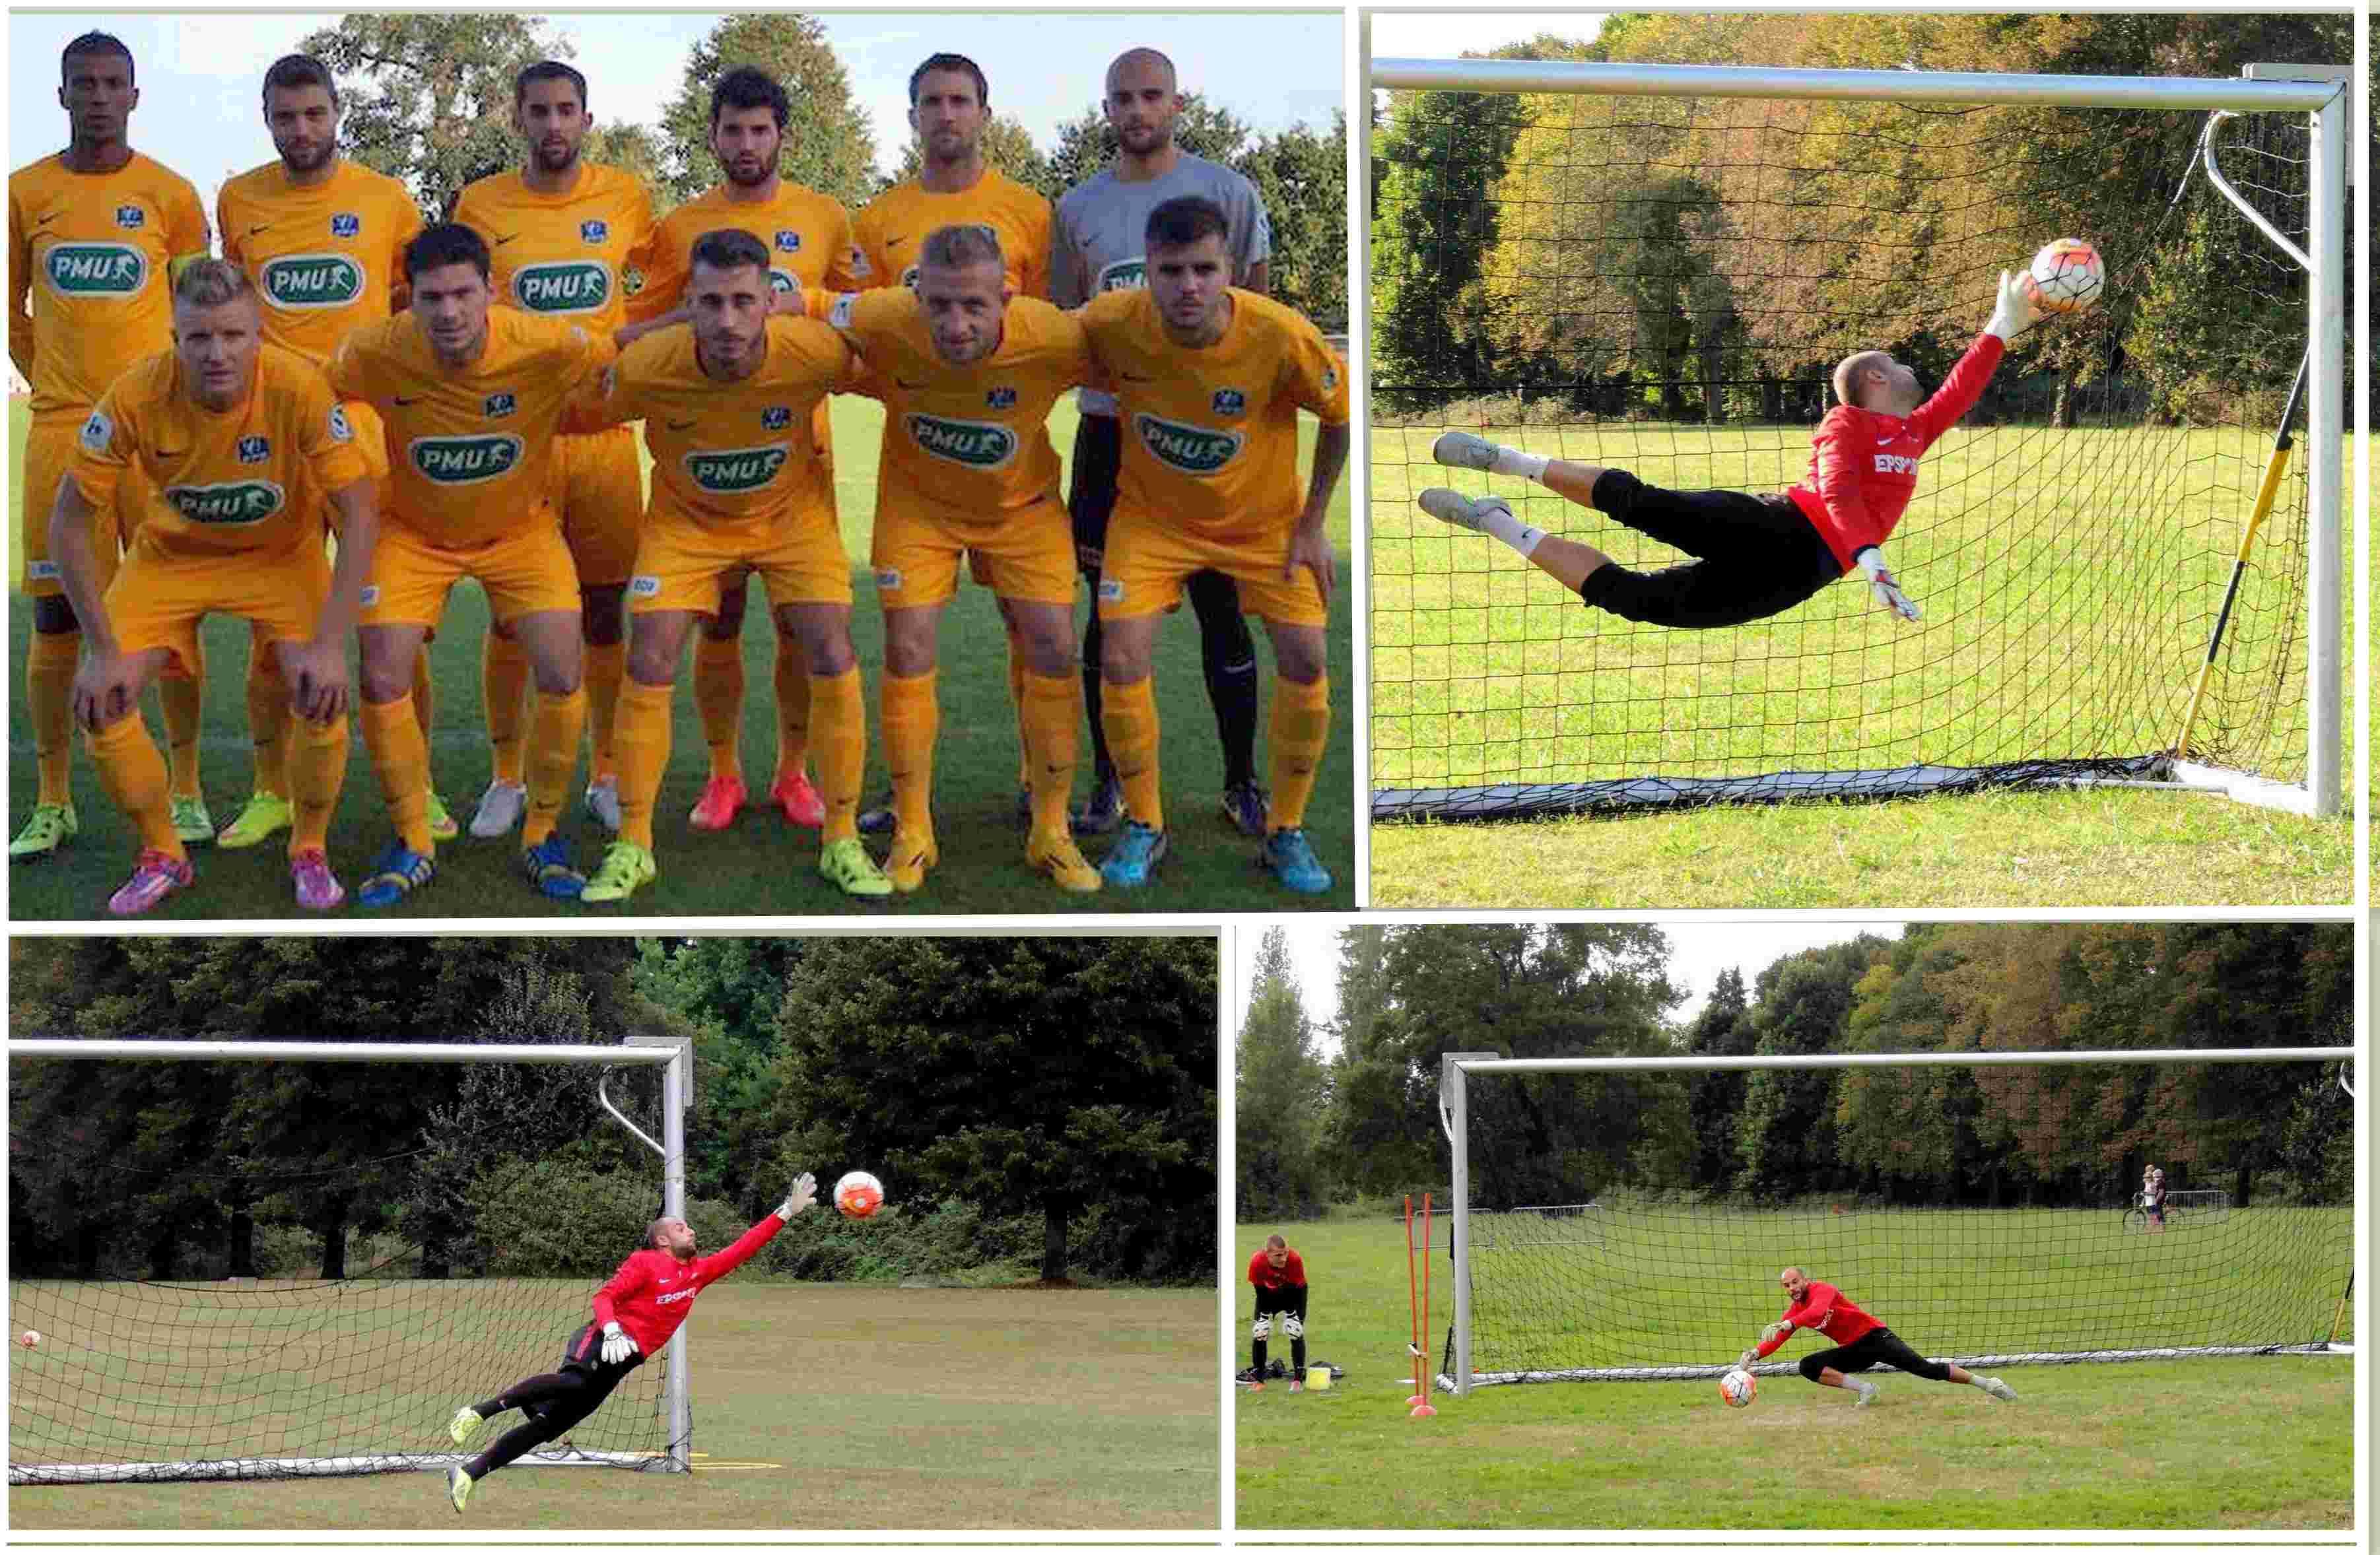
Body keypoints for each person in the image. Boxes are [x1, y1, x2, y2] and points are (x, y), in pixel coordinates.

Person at [1417, 269, 2039, 630]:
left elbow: (1960, 391)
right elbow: (1837, 493)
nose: (1910, 369)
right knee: (1640, 504)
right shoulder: (1844, 423)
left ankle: (1493, 522)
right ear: (1874, 381)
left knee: (1638, 603)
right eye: (1897, 363)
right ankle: (1507, 461)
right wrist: (1871, 557)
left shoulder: (1912, 430)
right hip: (1777, 529)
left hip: (1809, 574)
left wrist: (1999, 326)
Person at [572, 228, 892, 904]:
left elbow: (897, 370)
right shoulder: (649, 364)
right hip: (687, 523)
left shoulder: (811, 351)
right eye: (710, 303)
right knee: (650, 653)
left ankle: (841, 837)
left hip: (790, 520)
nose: (727, 320)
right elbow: (571, 403)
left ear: (768, 299)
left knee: (829, 646)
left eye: (743, 301)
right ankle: (633, 844)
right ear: (689, 300)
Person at [48, 259, 376, 913]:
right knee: (103, 699)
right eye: (199, 338)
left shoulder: (299, 387)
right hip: (171, 558)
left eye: (232, 335)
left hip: (281, 556)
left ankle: (309, 847)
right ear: (175, 338)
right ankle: (163, 852)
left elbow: (361, 510)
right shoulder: (135, 395)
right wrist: (102, 647)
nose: (217, 353)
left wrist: (332, 643)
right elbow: (67, 524)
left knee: (319, 689)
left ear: (259, 334)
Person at [327, 221, 615, 906]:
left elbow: (609, 364)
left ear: (492, 291)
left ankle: (542, 831)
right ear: (409, 300)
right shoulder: (373, 349)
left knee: (561, 666)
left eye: (463, 293)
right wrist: (349, 468)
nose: (449, 312)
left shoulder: (542, 341)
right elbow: (316, 401)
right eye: (432, 297)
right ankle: (411, 838)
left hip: (521, 531)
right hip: (413, 531)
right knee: (381, 671)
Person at [815, 224, 1103, 894]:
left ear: (1006, 295)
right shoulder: (885, 313)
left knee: (1054, 649)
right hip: (918, 511)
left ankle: (1050, 831)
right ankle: (914, 831)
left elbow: (1133, 344)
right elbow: (795, 304)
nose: (954, 322)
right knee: (907, 649)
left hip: (1022, 511)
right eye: (938, 304)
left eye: (973, 305)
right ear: (917, 296)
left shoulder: (1054, 335)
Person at [1077, 195, 1349, 894]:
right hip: (1150, 523)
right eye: (1171, 270)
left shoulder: (1279, 334)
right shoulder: (1111, 322)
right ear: (1148, 271)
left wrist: (1312, 522)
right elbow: (1032, 350)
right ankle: (1145, 823)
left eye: (1204, 268)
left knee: (1305, 654)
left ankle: (1283, 831)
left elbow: (1340, 417)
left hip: (1262, 527)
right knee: (1120, 654)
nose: (1188, 286)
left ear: (1229, 268)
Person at [618, 65, 860, 836]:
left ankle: (793, 774)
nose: (746, 144)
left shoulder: (824, 217)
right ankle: (723, 772)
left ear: (783, 135)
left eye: (761, 130)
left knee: (800, 628)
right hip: (701, 468)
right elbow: (640, 327)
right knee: (716, 624)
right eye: (732, 129)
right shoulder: (680, 226)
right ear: (713, 135)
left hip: (797, 463)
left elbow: (854, 322)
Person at [218, 51, 445, 849]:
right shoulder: (239, 198)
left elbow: (414, 305)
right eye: (286, 116)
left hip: (367, 436)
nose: (301, 129)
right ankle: (271, 788)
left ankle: (418, 786)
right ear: (267, 118)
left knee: (394, 621)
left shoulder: (386, 200)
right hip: (273, 439)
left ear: (337, 113)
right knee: (270, 625)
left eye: (314, 113)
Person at [1054, 46, 1275, 840]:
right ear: (1106, 108)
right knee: (1107, 619)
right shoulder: (1075, 207)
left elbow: (1257, 314)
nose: (1137, 109)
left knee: (1223, 610)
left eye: (1152, 95)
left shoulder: (1229, 191)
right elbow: (1069, 325)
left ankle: (1241, 782)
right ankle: (1109, 779)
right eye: (1123, 97)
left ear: (1178, 103)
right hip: (1111, 438)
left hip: (1206, 444)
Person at [11, 31, 212, 863]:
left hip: (159, 441)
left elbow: (196, 308)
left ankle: (191, 790)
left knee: (171, 614)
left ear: (134, 97)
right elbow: (11, 314)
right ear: (60, 95)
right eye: (82, 83)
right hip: (61, 434)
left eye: (112, 83)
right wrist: (62, 388)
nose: (98, 96)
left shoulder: (171, 194)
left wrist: (152, 402)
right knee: (57, 617)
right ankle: (54, 799)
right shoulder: (23, 192)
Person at [849, 51, 1055, 839]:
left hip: (1011, 467)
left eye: (959, 100)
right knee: (906, 642)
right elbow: (865, 332)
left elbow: (1047, 331)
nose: (945, 114)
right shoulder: (879, 218)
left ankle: (1040, 788)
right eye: (930, 102)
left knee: (1030, 629)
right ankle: (904, 806)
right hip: (918, 465)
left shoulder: (1031, 212)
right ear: (911, 117)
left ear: (984, 113)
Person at [450, 61, 658, 843]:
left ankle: (605, 771)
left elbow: (663, 283)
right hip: (521, 444)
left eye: (566, 110)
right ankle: (508, 776)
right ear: (518, 119)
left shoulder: (626, 199)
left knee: (605, 613)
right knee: (511, 616)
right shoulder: (481, 204)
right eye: (538, 111)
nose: (553, 125)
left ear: (587, 118)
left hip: (604, 440)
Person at [443, 1172, 817, 1513]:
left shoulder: (698, 1273)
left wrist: (786, 1211)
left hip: (624, 1360)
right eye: (682, 1227)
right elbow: (604, 1298)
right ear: (663, 1239)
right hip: (601, 1339)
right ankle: (478, 1412)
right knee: (574, 1381)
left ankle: (469, 1473)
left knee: (549, 1427)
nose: (691, 1231)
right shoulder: (645, 1262)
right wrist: (611, 1329)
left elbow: (744, 1248)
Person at [1741, 1265, 2017, 1407]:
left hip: (1876, 1338)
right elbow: (1777, 1337)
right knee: (1808, 1366)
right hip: (1855, 1350)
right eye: (1786, 1286)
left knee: (1926, 1369)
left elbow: (1817, 1312)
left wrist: (1788, 1324)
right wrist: (1755, 1354)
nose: (1791, 1288)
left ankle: (1988, 1384)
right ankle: (1865, 1389)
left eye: (1795, 1282)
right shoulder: (1795, 1310)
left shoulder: (1822, 1290)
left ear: (1805, 1280)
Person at [1245, 1234, 1309, 1393]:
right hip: (1267, 1294)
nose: (1284, 1259)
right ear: (1267, 1254)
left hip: (1294, 1294)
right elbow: (1260, 1292)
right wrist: (1264, 1318)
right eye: (1279, 1255)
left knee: (1295, 1331)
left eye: (1286, 1253)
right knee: (1260, 1333)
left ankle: (1297, 1380)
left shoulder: (1295, 1260)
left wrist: (1292, 1315)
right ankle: (1259, 1380)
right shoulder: (1257, 1262)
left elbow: (1293, 1291)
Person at [2142, 1164, 2167, 1232]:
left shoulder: (2159, 1182)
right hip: (2153, 1200)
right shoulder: (2154, 1181)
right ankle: (2154, 1228)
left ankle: (2162, 1229)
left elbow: (2160, 1192)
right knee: (2154, 1215)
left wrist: (2156, 1200)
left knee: (2158, 1215)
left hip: (2157, 1200)